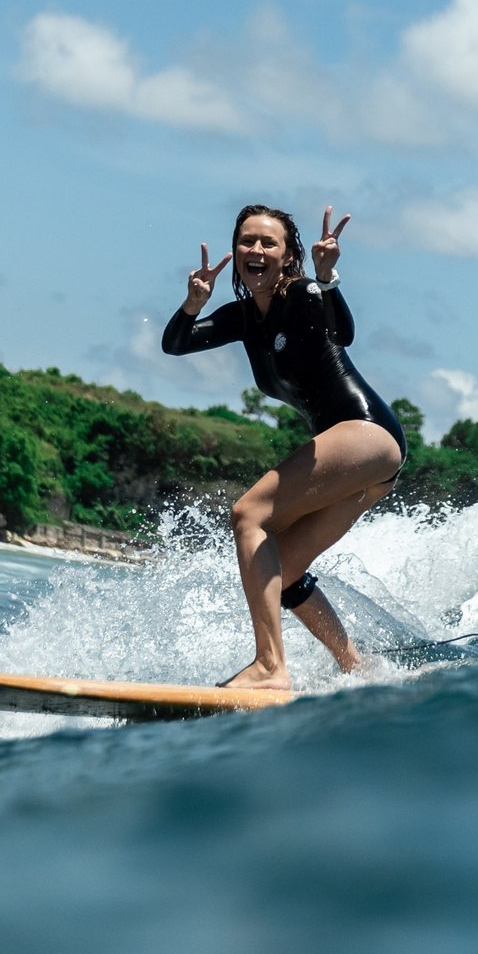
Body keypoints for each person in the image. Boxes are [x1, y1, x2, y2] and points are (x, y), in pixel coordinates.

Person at [164, 204, 407, 690]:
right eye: (246, 242)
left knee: (248, 515)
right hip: (370, 459)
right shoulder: (243, 317)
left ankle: (271, 667)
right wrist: (194, 302)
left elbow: (344, 333)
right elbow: (177, 343)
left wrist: (326, 276)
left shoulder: (302, 293)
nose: (255, 250)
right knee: (287, 568)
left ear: (288, 254)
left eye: (267, 243)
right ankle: (359, 670)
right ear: (235, 253)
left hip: (366, 430)